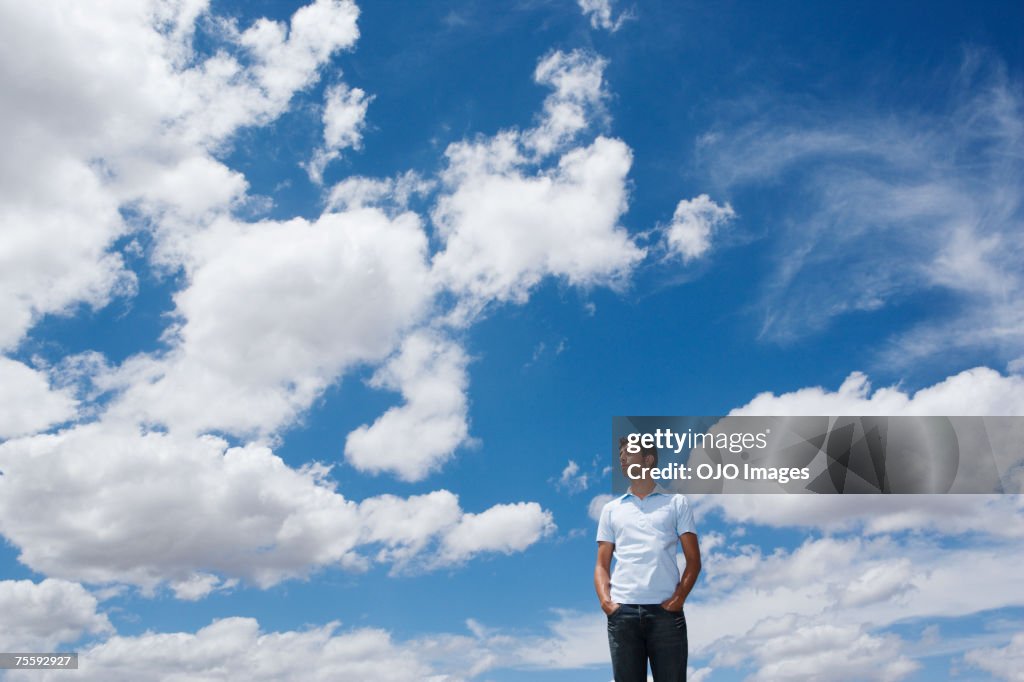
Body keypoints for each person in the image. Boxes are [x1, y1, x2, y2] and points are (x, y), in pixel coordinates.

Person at [595, 437, 701, 682]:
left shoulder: (676, 503)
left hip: (666, 613)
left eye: (629, 453)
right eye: (620, 454)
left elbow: (693, 560)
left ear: (648, 459)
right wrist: (606, 602)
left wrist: (678, 599)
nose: (622, 458)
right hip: (623, 614)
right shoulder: (611, 509)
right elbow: (602, 564)